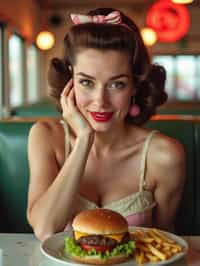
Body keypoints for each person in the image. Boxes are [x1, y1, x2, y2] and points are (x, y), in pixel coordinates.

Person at [26, 8, 186, 241]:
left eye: (116, 84)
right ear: (70, 80)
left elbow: (163, 242)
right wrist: (83, 141)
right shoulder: (45, 137)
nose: (100, 102)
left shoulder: (165, 155)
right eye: (86, 82)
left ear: (135, 85)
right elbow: (45, 230)